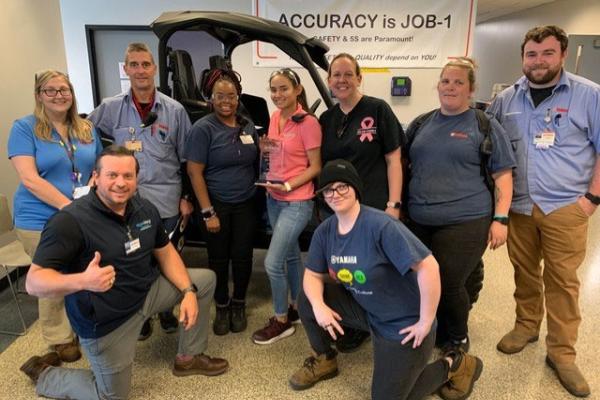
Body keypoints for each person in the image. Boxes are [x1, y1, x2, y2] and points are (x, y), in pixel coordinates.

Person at [19, 145, 228, 400]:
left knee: (203, 281)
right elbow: (33, 282)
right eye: (112, 175)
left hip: (146, 292)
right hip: (107, 320)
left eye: (128, 176)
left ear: (136, 179)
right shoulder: (70, 221)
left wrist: (187, 291)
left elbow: (166, 253)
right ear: (95, 178)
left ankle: (188, 357)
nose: (121, 183)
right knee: (112, 395)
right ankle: (45, 375)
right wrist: (83, 280)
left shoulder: (144, 209)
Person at [289, 159, 483, 400]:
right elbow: (312, 275)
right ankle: (324, 359)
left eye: (342, 187)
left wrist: (425, 320)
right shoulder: (325, 231)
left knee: (386, 397)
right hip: (367, 309)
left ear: (356, 189)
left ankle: (455, 364)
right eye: (328, 189)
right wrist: (319, 306)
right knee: (307, 299)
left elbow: (429, 267)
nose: (335, 193)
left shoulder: (381, 225)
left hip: (402, 322)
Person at [487, 25, 600, 398]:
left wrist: (591, 200)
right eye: (532, 55)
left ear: (563, 55)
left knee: (563, 282)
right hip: (518, 206)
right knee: (523, 272)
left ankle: (562, 353)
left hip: (565, 206)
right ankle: (526, 325)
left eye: (547, 53)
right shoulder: (507, 99)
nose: (539, 62)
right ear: (523, 57)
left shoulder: (589, 96)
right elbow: (493, 148)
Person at [404, 58, 515, 360]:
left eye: (458, 82)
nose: (450, 87)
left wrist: (501, 219)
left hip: (466, 219)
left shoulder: (484, 125)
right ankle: (432, 326)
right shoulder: (421, 123)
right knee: (420, 279)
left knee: (449, 280)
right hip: (419, 218)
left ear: (471, 89)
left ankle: (456, 337)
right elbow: (404, 165)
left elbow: (503, 174)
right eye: (445, 81)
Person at [88, 42, 193, 338]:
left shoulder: (174, 111)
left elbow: (187, 160)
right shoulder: (110, 109)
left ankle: (166, 308)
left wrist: (186, 198)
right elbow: (84, 134)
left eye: (145, 64)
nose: (140, 70)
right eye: (133, 64)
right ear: (126, 69)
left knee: (168, 256)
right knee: (132, 259)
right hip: (125, 203)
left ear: (154, 68)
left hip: (165, 199)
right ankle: (141, 311)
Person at [7, 69, 103, 363]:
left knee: (78, 269)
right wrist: (70, 207)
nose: (59, 95)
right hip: (39, 219)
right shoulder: (24, 129)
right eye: (51, 90)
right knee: (51, 274)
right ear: (39, 95)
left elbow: (97, 168)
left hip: (78, 215)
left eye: (64, 90)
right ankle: (59, 338)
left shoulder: (86, 128)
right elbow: (30, 179)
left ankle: (79, 325)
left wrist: (91, 189)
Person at [319, 53, 403, 351]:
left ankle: (383, 324)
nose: (341, 80)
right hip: (341, 208)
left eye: (347, 74)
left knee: (374, 270)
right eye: (335, 75)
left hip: (374, 206)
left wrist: (394, 204)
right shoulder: (327, 118)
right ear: (329, 81)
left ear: (358, 77)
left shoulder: (377, 110)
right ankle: (357, 324)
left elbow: (394, 160)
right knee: (347, 270)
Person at [251, 68, 322, 345]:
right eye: (274, 89)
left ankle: (281, 320)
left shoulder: (308, 123)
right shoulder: (274, 117)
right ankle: (298, 309)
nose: (278, 95)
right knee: (292, 258)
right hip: (273, 197)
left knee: (272, 263)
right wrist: (264, 151)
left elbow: (315, 167)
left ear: (297, 90)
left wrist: (290, 185)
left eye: (284, 89)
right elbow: (276, 156)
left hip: (297, 200)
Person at [185, 69, 258, 335]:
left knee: (243, 256)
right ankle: (222, 304)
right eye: (220, 96)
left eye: (231, 96)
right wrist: (207, 212)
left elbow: (259, 158)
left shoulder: (247, 126)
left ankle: (239, 302)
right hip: (216, 204)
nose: (226, 101)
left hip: (246, 203)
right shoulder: (203, 129)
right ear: (211, 99)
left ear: (238, 98)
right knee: (218, 258)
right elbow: (194, 171)